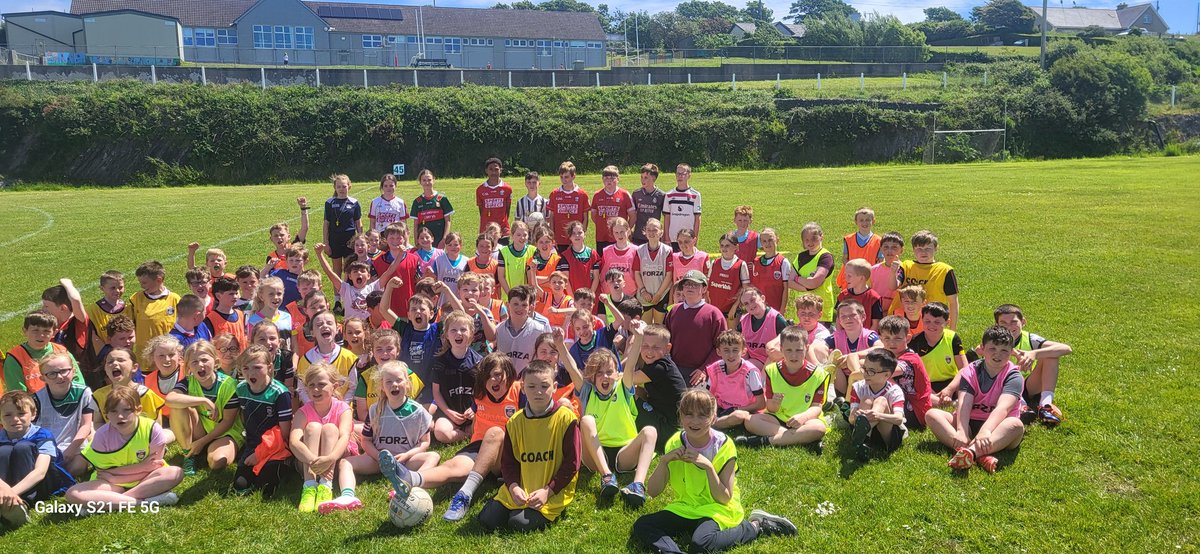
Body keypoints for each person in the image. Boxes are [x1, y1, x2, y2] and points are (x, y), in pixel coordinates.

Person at [631, 389, 797, 554]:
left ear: (713, 417)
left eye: (702, 415)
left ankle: (755, 526)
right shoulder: (675, 443)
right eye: (688, 414)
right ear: (680, 416)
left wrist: (708, 467)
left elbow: (724, 498)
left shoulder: (724, 446)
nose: (695, 421)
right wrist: (663, 461)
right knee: (642, 525)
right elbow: (653, 491)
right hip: (687, 506)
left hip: (716, 509)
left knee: (701, 544)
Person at [381, 352, 519, 522]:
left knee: (495, 432)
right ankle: (411, 478)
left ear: (509, 373)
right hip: (479, 448)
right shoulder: (479, 393)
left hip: (508, 454)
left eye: (497, 375)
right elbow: (477, 417)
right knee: (451, 467)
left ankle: (464, 494)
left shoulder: (520, 391)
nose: (492, 381)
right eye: (487, 376)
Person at [477, 360, 580, 532]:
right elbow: (508, 463)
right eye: (531, 387)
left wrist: (549, 491)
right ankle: (510, 503)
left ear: (554, 387)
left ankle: (528, 509)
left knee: (519, 523)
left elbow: (572, 464)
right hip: (522, 486)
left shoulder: (566, 419)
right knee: (487, 520)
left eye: (544, 386)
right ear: (523, 388)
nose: (538, 392)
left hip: (552, 488)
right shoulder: (515, 422)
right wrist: (513, 487)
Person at [325, 361, 438, 514]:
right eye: (389, 382)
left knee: (433, 456)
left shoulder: (418, 412)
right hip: (378, 461)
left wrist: (407, 455)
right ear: (382, 387)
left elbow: (425, 443)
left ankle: (409, 485)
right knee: (346, 463)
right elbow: (366, 441)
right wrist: (380, 458)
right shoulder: (375, 410)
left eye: (399, 380)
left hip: (404, 462)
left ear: (407, 383)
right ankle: (347, 496)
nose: (394, 385)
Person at [927, 326, 1025, 474]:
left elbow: (1003, 409)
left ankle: (970, 452)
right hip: (970, 421)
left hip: (998, 427)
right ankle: (978, 455)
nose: (997, 355)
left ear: (1011, 352)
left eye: (1004, 350)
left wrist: (986, 430)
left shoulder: (1014, 376)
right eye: (992, 349)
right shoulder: (971, 371)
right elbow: (964, 403)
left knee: (1016, 425)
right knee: (932, 415)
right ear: (983, 349)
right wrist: (961, 430)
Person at [67, 387, 183, 511]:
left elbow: (155, 466)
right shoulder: (101, 436)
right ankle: (145, 501)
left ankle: (112, 501)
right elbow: (103, 473)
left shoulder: (152, 429)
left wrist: (116, 475)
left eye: (127, 410)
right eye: (113, 411)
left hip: (146, 478)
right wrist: (141, 467)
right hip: (112, 485)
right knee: (72, 494)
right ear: (106, 415)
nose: (120, 416)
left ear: (138, 410)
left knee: (175, 473)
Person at [737, 326, 827, 449]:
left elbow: (816, 407)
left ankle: (766, 441)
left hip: (804, 420)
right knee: (749, 421)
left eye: (799, 350)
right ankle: (801, 438)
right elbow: (770, 408)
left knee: (818, 428)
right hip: (777, 419)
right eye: (788, 350)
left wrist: (803, 417)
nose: (794, 355)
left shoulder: (818, 374)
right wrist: (774, 403)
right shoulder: (771, 370)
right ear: (781, 349)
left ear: (806, 348)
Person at [165, 341, 242, 476]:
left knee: (217, 462)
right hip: (202, 429)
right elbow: (169, 399)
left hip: (226, 432)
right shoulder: (189, 381)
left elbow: (228, 422)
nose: (200, 365)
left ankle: (205, 448)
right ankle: (188, 454)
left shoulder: (229, 385)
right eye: (194, 362)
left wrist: (202, 442)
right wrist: (204, 400)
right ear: (188, 366)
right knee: (178, 407)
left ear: (215, 361)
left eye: (205, 360)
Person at [0, 390, 74, 526]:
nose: (15, 419)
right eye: (7, 415)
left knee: (22, 447)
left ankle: (21, 503)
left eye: (21, 413)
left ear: (33, 414)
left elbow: (40, 472)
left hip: (44, 483)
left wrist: (11, 493)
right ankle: (6, 505)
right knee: (3, 451)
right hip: (7, 488)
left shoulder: (43, 435)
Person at [290, 364, 356, 513]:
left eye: (321, 384)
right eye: (311, 385)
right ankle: (309, 487)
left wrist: (331, 458)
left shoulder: (343, 409)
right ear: (306, 388)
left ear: (334, 386)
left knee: (330, 429)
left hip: (336, 458)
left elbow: (345, 436)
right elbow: (293, 442)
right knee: (313, 427)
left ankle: (326, 486)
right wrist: (313, 460)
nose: (316, 389)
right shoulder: (303, 411)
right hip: (309, 462)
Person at [231, 345, 295, 498]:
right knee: (240, 485)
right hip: (252, 445)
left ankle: (286, 465)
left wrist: (259, 454)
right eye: (245, 368)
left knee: (266, 487)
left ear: (269, 367)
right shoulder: (241, 389)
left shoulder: (279, 393)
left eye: (257, 367)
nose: (251, 373)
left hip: (275, 448)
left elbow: (284, 432)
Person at [993, 303, 1072, 426]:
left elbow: (1066, 348)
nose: (1009, 327)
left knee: (1051, 355)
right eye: (1003, 323)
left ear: (1023, 322)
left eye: (1014, 322)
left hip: (1028, 386)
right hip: (1004, 389)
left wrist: (1034, 353)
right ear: (996, 325)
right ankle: (1022, 406)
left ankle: (1045, 405)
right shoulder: (992, 340)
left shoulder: (1030, 338)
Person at [32, 353, 95, 478]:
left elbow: (86, 425)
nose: (59, 377)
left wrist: (71, 450)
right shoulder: (37, 399)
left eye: (64, 371)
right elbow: (32, 431)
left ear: (74, 371)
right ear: (43, 378)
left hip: (73, 444)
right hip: (46, 447)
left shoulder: (84, 393)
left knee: (79, 466)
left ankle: (54, 478)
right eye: (52, 373)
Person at [629, 325, 688, 453]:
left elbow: (627, 379)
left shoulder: (660, 367)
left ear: (667, 349)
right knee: (634, 391)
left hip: (670, 430)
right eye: (645, 346)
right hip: (666, 420)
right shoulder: (657, 364)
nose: (649, 351)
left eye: (655, 347)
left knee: (627, 399)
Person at [664, 270, 727, 387]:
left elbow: (721, 346)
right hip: (675, 368)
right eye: (687, 284)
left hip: (701, 372)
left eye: (695, 285)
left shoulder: (714, 314)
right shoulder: (674, 311)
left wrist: (704, 369)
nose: (690, 287)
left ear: (704, 289)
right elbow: (666, 341)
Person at [430, 312, 483, 444]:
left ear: (471, 334)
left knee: (485, 427)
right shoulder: (439, 362)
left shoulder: (479, 362)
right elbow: (436, 392)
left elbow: (483, 391)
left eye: (463, 329)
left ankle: (467, 431)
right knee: (440, 433)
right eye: (453, 330)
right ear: (447, 335)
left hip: (472, 414)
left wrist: (474, 408)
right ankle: (467, 434)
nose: (458, 333)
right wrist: (449, 412)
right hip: (449, 414)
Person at [873, 315, 932, 430]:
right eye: (887, 338)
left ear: (908, 339)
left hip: (915, 411)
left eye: (897, 338)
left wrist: (862, 369)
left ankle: (868, 422)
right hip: (899, 403)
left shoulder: (910, 358)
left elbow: (885, 373)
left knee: (881, 379)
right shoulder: (888, 355)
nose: (892, 343)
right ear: (881, 339)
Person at [847, 349, 906, 461]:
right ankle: (863, 440)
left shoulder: (894, 391)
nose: (865, 373)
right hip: (870, 432)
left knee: (881, 401)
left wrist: (878, 415)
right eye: (864, 369)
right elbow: (851, 419)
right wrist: (857, 415)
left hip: (887, 435)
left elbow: (899, 419)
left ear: (886, 375)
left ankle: (861, 438)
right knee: (867, 400)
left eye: (871, 371)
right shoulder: (858, 387)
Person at [483, 285, 551, 376]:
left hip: (530, 380)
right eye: (515, 304)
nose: (520, 308)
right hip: (505, 380)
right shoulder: (499, 329)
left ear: (530, 307)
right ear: (507, 305)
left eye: (524, 305)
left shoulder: (539, 330)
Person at [704, 331, 765, 431]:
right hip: (720, 409)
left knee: (737, 417)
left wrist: (735, 409)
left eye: (735, 350)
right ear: (719, 352)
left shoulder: (750, 372)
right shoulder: (715, 368)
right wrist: (713, 410)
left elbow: (761, 404)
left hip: (743, 411)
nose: (731, 355)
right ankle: (713, 422)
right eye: (726, 350)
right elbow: (709, 396)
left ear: (743, 351)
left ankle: (712, 425)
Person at [899, 230, 960, 330]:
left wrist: (952, 330)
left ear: (936, 248)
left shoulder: (944, 270)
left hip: (933, 322)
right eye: (919, 248)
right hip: (907, 322)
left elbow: (953, 302)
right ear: (913, 250)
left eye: (928, 248)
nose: (923, 252)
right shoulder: (906, 266)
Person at [124, 260, 180, 367]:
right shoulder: (136, 299)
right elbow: (127, 326)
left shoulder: (175, 299)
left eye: (144, 283)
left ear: (159, 280)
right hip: (144, 358)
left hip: (168, 357)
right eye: (140, 282)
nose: (141, 286)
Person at [4, 311, 74, 394]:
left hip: (67, 399)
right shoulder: (14, 358)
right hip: (34, 404)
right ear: (25, 331)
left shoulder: (62, 351)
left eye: (46, 331)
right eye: (35, 330)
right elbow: (18, 394)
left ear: (54, 332)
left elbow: (77, 379)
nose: (41, 335)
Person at [297, 311, 358, 403]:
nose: (325, 326)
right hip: (314, 412)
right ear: (312, 332)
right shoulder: (306, 360)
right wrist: (313, 407)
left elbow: (353, 387)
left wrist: (342, 407)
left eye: (329, 323)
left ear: (337, 329)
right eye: (319, 324)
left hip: (342, 411)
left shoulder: (348, 357)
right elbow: (301, 390)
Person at [92, 348, 165, 425]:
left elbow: (155, 426)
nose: (115, 363)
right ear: (105, 369)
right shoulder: (99, 394)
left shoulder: (145, 394)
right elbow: (98, 422)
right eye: (110, 362)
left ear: (134, 367)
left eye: (121, 360)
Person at [910, 302, 967, 397]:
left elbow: (964, 368)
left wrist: (950, 389)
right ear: (922, 320)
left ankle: (955, 401)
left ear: (947, 322)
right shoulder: (915, 341)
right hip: (926, 383)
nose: (931, 325)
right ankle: (940, 400)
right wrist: (929, 390)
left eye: (937, 322)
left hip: (952, 381)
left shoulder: (952, 338)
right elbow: (912, 374)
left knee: (967, 383)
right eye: (927, 321)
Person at [315, 243, 379, 321]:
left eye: (362, 271)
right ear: (350, 276)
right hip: (351, 328)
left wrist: (398, 255)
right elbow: (330, 273)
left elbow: (389, 272)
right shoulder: (346, 289)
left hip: (369, 327)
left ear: (368, 276)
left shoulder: (372, 287)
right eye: (355, 272)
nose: (359, 273)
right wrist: (319, 254)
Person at [789, 222, 835, 328]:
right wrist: (807, 288)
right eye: (807, 240)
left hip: (819, 312)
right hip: (801, 310)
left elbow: (814, 282)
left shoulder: (825, 257)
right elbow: (789, 282)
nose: (810, 242)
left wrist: (797, 278)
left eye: (814, 239)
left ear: (821, 236)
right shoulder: (800, 256)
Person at [42, 278, 93, 373]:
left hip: (81, 374)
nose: (43, 309)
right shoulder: (48, 326)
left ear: (62, 308)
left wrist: (67, 284)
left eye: (46, 306)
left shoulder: (77, 322)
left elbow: (75, 299)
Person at [374, 222, 422, 322]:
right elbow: (374, 287)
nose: (395, 241)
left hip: (407, 309)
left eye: (399, 238)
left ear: (404, 239)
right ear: (386, 239)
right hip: (385, 311)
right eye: (392, 238)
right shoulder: (377, 262)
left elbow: (418, 283)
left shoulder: (414, 259)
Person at [735, 288, 788, 370]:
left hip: (771, 361)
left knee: (745, 368)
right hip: (750, 359)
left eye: (752, 300)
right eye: (746, 304)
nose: (750, 305)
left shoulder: (776, 319)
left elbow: (789, 342)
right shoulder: (744, 321)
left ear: (762, 298)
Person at [323, 174, 363, 279]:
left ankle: (347, 293)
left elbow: (358, 223)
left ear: (349, 186)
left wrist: (361, 240)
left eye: (344, 186)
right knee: (337, 269)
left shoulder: (354, 203)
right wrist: (326, 243)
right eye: (339, 186)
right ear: (335, 188)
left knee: (349, 268)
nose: (341, 189)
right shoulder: (329, 203)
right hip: (334, 239)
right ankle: (337, 295)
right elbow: (326, 224)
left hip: (350, 240)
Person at [634, 218, 673, 325]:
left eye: (654, 230)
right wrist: (643, 291)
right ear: (645, 232)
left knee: (659, 328)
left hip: (661, 295)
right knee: (645, 328)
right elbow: (637, 273)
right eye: (648, 230)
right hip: (644, 296)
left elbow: (669, 275)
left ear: (661, 232)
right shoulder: (639, 250)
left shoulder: (667, 251)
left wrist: (659, 294)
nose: (651, 233)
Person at [705, 232, 751, 323]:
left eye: (727, 246)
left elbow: (745, 289)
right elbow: (707, 285)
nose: (724, 248)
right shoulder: (714, 263)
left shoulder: (741, 264)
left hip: (731, 311)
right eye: (722, 245)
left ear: (736, 247)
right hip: (714, 308)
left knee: (730, 336)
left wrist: (735, 307)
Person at [546, 161, 590, 253]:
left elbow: (585, 218)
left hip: (575, 238)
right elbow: (551, 217)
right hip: (559, 239)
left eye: (566, 177)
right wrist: (552, 236)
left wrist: (581, 235)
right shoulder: (555, 194)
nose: (563, 180)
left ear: (573, 176)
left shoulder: (582, 194)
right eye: (561, 177)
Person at [591, 165, 636, 252]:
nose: (609, 181)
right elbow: (593, 215)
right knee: (603, 261)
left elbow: (633, 216)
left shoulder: (624, 194)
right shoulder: (597, 195)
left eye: (612, 178)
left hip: (619, 236)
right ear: (602, 179)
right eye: (606, 178)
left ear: (618, 179)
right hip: (602, 236)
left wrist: (625, 230)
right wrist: (601, 225)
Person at [836, 207, 883, 290]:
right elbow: (845, 259)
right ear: (856, 222)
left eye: (868, 220)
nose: (865, 222)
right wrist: (852, 273)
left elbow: (880, 261)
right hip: (851, 278)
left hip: (869, 278)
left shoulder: (879, 241)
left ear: (873, 221)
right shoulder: (848, 239)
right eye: (861, 220)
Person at [748, 228, 792, 313]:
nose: (767, 243)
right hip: (758, 311)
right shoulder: (755, 262)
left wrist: (782, 311)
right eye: (764, 241)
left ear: (777, 240)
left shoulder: (783, 262)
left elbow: (786, 289)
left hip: (775, 311)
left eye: (770, 240)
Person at [264, 197, 311, 272]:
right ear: (271, 239)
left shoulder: (295, 247)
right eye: (275, 236)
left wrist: (303, 208)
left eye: (282, 235)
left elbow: (304, 228)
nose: (279, 238)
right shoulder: (271, 257)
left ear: (288, 236)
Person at [410, 169, 455, 247]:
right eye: (424, 180)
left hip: (439, 238)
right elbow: (415, 224)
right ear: (420, 182)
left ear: (434, 180)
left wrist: (444, 239)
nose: (427, 182)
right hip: (424, 240)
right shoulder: (417, 202)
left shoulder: (442, 198)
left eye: (429, 180)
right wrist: (417, 242)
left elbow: (448, 221)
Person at [85, 270, 126, 354]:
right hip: (103, 355)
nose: (117, 291)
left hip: (126, 353)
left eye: (120, 287)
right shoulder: (92, 310)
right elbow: (91, 335)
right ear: (102, 288)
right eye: (113, 288)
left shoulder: (128, 307)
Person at [663, 164, 702, 251]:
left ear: (689, 175)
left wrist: (695, 238)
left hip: (688, 237)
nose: (680, 176)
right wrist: (666, 237)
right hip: (673, 238)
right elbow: (667, 218)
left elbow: (697, 218)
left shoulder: (695, 195)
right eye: (678, 173)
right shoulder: (669, 195)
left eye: (683, 174)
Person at [836, 259, 884, 330]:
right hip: (845, 337)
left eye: (849, 275)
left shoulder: (873, 297)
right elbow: (838, 319)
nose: (846, 278)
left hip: (865, 337)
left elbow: (875, 324)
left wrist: (867, 338)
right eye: (845, 274)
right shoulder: (843, 295)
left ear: (862, 278)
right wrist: (840, 336)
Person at [205, 277, 248, 351]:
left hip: (242, 359)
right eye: (231, 294)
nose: (235, 296)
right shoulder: (210, 319)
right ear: (218, 296)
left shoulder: (241, 314)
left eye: (236, 293)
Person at [477, 157, 514, 242]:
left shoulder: (507, 189)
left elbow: (507, 210)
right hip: (486, 231)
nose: (493, 172)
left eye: (496, 169)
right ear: (486, 170)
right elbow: (481, 211)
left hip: (503, 231)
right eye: (491, 169)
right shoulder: (480, 190)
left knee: (503, 255)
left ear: (501, 170)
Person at [497, 221, 535, 299]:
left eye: (525, 235)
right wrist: (510, 295)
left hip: (526, 297)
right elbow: (501, 277)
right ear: (512, 235)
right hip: (508, 297)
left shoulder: (532, 251)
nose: (522, 238)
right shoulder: (504, 252)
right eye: (518, 235)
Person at [561, 221, 601, 294]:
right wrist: (572, 298)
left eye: (580, 233)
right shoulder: (565, 256)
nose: (577, 235)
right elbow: (565, 280)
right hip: (573, 296)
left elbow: (596, 278)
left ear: (584, 234)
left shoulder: (593, 254)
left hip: (590, 297)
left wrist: (591, 295)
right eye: (573, 233)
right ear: (569, 237)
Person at [630, 163, 665, 246]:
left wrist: (664, 235)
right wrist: (629, 229)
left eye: (646, 178)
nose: (643, 180)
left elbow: (666, 217)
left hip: (654, 236)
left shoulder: (661, 195)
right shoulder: (636, 194)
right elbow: (632, 214)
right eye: (641, 177)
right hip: (638, 235)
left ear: (654, 178)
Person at [872, 232, 904, 312]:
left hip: (897, 313)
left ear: (901, 250)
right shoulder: (873, 270)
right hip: (877, 313)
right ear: (881, 249)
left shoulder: (905, 269)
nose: (889, 251)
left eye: (894, 248)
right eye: (886, 247)